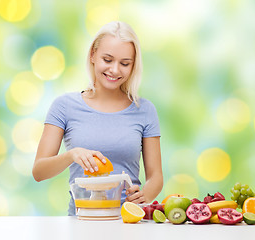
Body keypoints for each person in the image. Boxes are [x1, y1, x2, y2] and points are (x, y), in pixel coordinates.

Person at [32, 21, 163, 216]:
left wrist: (145, 194)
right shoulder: (64, 106)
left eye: (125, 63)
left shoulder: (144, 110)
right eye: (107, 60)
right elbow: (39, 172)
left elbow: (156, 177)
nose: (115, 70)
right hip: (81, 220)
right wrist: (71, 155)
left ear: (133, 65)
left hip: (130, 221)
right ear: (93, 55)